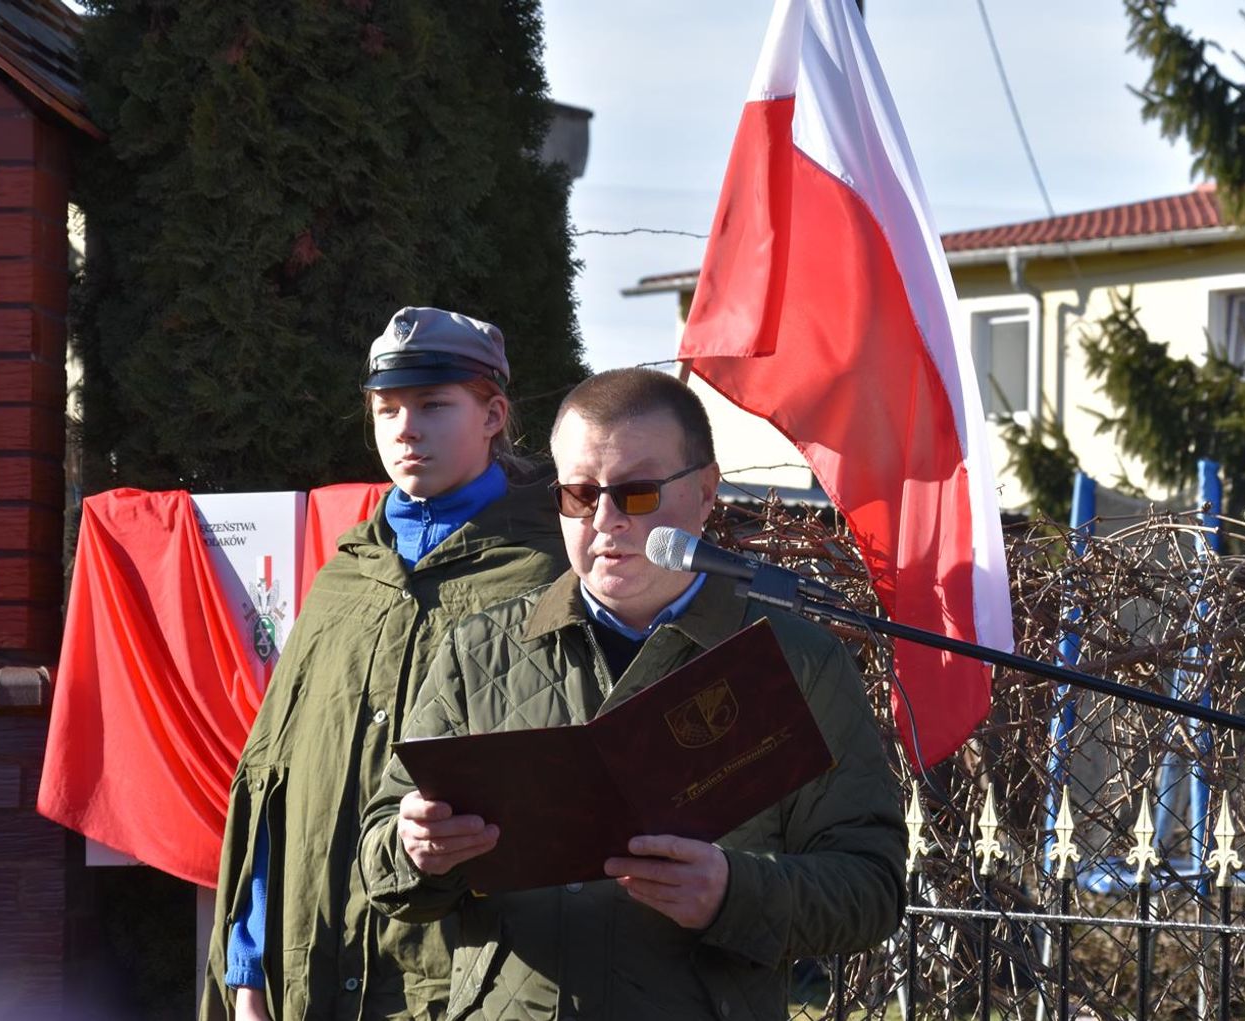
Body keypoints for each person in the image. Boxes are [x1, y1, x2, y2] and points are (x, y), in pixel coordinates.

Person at [361, 367, 908, 1020]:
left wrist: (732, 890)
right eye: (579, 494)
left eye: (637, 494)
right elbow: (381, 864)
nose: (605, 520)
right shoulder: (479, 649)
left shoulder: (794, 660)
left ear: (705, 492)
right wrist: (414, 848)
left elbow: (871, 887)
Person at [201, 308, 567, 1021]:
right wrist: (249, 969)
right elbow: (273, 783)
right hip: (312, 977)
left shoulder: (548, 574)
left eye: (434, 405)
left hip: (469, 983)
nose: (406, 429)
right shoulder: (346, 577)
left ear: (493, 415)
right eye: (387, 408)